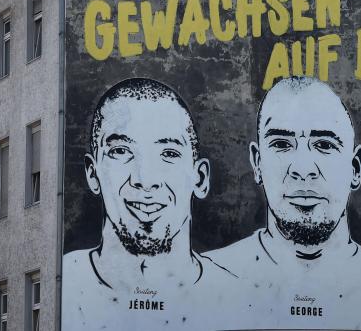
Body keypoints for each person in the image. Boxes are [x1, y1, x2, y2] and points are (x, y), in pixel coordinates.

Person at [61, 78, 238, 331]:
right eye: (121, 151)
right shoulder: (61, 286)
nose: (145, 180)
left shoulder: (237, 299)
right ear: (92, 173)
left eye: (169, 154)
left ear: (199, 178)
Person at [209, 77, 361, 282]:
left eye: (324, 145)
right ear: (257, 163)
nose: (303, 169)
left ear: (355, 167)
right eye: (281, 144)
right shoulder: (216, 276)